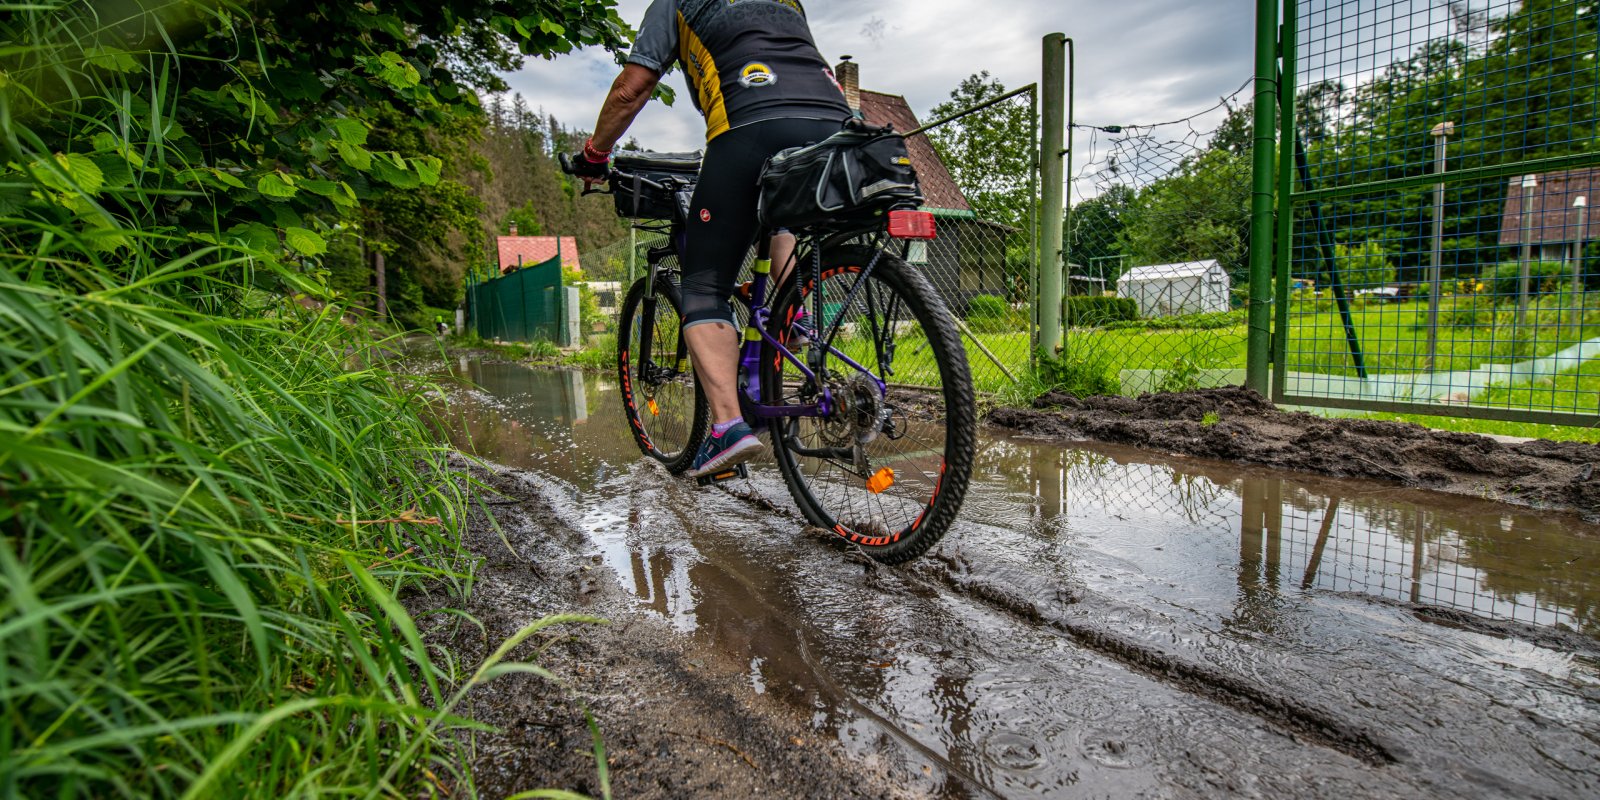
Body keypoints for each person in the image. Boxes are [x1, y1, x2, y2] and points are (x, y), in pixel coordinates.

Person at [571, 0, 850, 478]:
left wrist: (595, 155)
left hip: (750, 122)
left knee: (703, 285)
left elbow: (630, 88)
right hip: (836, 124)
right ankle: (790, 317)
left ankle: (727, 431)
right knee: (776, 216)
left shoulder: (674, 3)